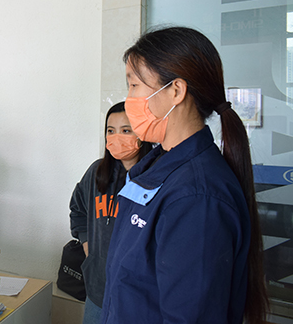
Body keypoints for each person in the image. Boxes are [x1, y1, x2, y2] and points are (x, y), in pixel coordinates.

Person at [100, 26, 268, 324]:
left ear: (176, 91)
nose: (129, 99)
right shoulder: (158, 166)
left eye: (134, 85)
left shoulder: (197, 197)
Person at [70, 102, 153, 324]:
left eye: (126, 130)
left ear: (142, 133)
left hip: (136, 295)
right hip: (98, 290)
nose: (117, 137)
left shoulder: (154, 177)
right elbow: (77, 209)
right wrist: (88, 246)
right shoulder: (97, 172)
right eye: (110, 130)